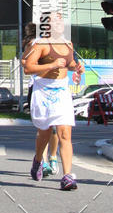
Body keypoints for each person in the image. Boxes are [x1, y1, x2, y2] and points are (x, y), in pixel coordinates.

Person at [23, 12, 84, 190]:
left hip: (62, 90)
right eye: (54, 21)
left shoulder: (68, 43)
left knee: (65, 133)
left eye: (60, 20)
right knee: (45, 133)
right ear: (46, 26)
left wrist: (77, 67)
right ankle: (38, 160)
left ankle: (67, 176)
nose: (59, 23)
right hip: (43, 90)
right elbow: (28, 68)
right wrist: (51, 65)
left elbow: (69, 64)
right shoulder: (40, 44)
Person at [21, 23, 58, 176]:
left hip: (56, 88)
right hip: (38, 87)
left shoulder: (60, 43)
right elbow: (24, 61)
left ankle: (53, 156)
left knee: (55, 127)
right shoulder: (35, 43)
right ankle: (43, 161)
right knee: (43, 127)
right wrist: (39, 66)